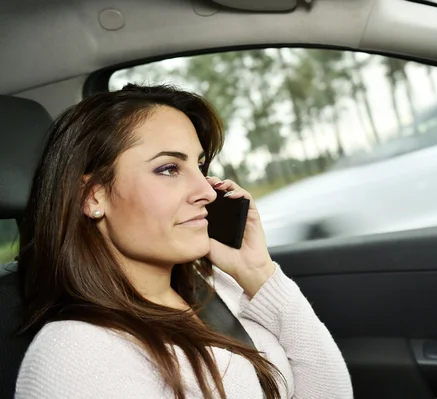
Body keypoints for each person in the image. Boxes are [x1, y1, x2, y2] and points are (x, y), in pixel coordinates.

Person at [14, 84, 353, 399]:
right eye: (169, 169)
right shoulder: (76, 355)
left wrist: (259, 271)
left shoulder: (216, 286)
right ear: (92, 196)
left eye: (200, 165)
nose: (207, 190)